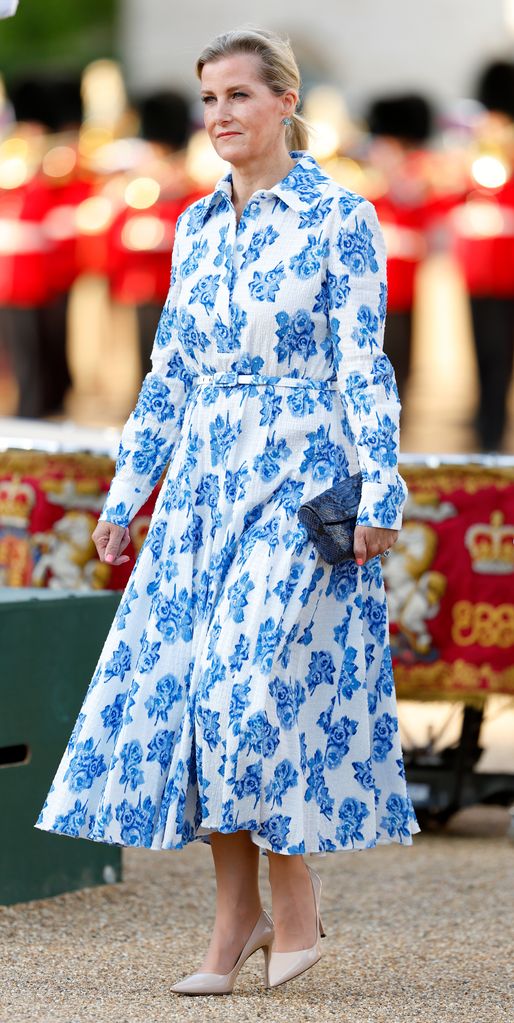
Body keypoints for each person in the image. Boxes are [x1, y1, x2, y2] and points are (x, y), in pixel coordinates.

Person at [34, 27, 421, 994]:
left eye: (239, 97)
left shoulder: (341, 218)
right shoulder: (196, 225)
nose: (220, 118)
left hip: (298, 488)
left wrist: (381, 485)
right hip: (205, 486)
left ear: (287, 102)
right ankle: (237, 920)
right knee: (202, 705)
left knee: (243, 696)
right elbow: (168, 372)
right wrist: (129, 494)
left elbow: (361, 364)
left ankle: (289, 912)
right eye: (208, 100)